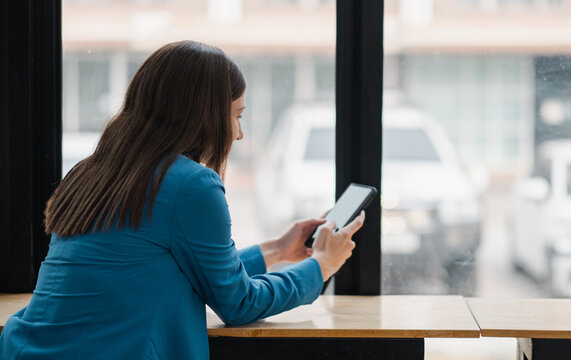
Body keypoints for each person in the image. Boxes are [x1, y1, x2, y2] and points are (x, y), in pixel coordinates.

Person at [0, 40, 363, 359]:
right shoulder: (192, 184)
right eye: (236, 115)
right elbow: (238, 303)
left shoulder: (92, 171)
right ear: (202, 115)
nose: (239, 134)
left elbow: (170, 267)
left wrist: (277, 250)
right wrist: (321, 266)